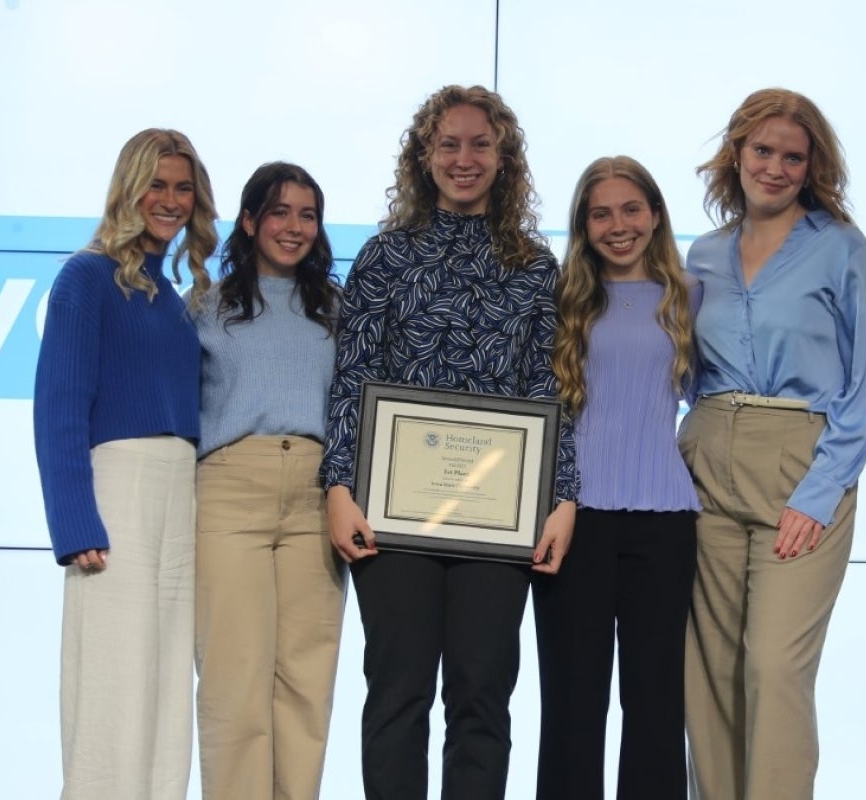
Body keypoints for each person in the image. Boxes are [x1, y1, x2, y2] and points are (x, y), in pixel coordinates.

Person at [321, 84, 577, 800]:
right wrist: (338, 488)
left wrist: (562, 497)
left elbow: (545, 388)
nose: (464, 159)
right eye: (449, 144)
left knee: (481, 697)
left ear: (504, 158)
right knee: (398, 694)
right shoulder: (384, 256)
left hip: (499, 520)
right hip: (389, 515)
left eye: (480, 144)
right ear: (424, 156)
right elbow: (352, 378)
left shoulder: (534, 265)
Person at [678, 88, 866, 800]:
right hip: (705, 461)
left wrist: (824, 489)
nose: (774, 167)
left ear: (812, 168)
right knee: (708, 668)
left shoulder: (842, 250)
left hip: (801, 467)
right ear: (736, 153)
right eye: (763, 150)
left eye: (792, 157)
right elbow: (683, 372)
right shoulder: (702, 255)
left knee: (773, 665)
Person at [33, 128, 218, 800]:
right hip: (118, 495)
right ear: (128, 188)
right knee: (113, 684)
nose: (169, 200)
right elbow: (59, 406)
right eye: (157, 184)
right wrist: (76, 521)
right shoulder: (86, 276)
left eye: (181, 187)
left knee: (167, 685)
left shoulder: (172, 296)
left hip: (178, 497)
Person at [533, 156, 701, 800]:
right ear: (583, 225)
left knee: (656, 706)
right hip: (573, 521)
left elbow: (708, 397)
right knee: (573, 707)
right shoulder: (561, 299)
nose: (618, 225)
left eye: (631, 209)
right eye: (600, 213)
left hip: (665, 523)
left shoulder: (689, 295)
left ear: (655, 214)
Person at [191, 162, 347, 800]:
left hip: (317, 493)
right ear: (250, 221)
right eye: (279, 212)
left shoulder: (336, 307)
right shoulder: (207, 305)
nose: (294, 227)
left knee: (307, 681)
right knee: (235, 677)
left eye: (307, 214)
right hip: (231, 487)